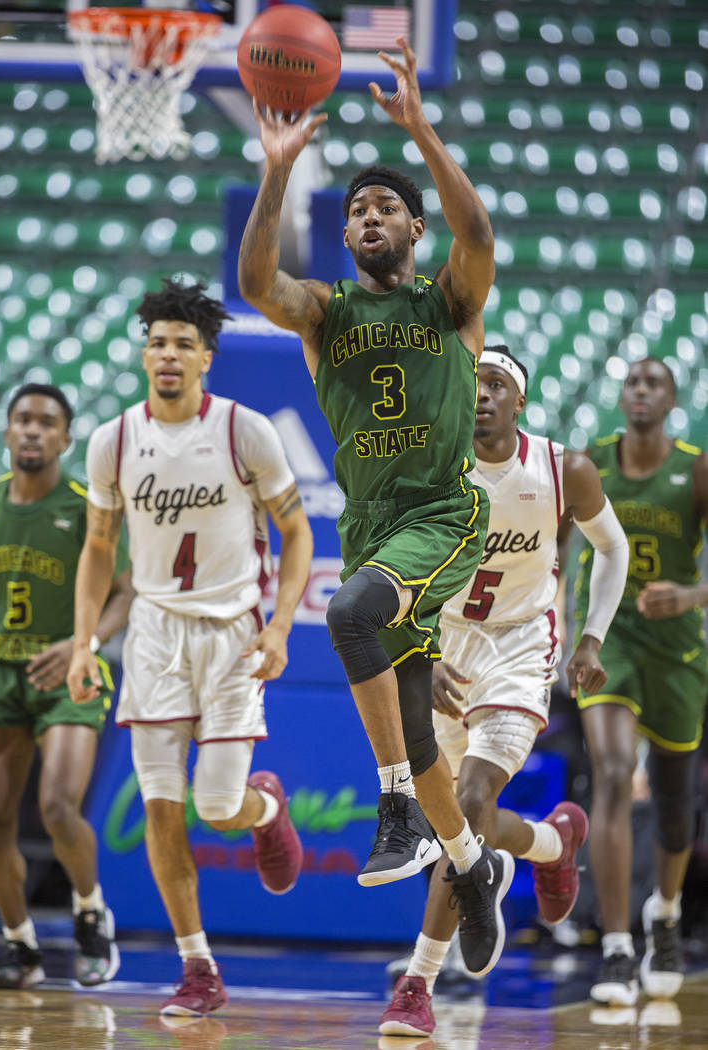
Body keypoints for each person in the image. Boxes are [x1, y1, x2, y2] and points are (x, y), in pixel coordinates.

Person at [238, 37, 514, 979]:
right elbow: (252, 287)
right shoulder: (325, 314)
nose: (368, 217)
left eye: (386, 207)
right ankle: (472, 870)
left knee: (348, 611)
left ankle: (392, 808)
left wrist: (420, 133)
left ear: (412, 232)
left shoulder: (449, 304)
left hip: (441, 515)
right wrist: (277, 175)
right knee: (417, 727)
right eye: (356, 208)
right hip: (371, 527)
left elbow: (478, 236)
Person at [67, 278, 313, 1017]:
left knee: (216, 804)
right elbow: (97, 547)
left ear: (207, 357)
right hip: (152, 639)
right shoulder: (113, 440)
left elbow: (297, 531)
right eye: (156, 343)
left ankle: (265, 810)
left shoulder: (245, 431)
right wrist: (84, 643)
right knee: (162, 809)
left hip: (232, 634)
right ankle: (196, 965)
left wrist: (277, 626)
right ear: (144, 356)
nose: (167, 354)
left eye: (182, 344)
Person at [378, 347, 630, 1036]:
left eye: (496, 385)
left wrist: (590, 638)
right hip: (442, 647)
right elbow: (389, 570)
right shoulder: (425, 468)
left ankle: (417, 983)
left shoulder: (560, 468)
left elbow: (613, 548)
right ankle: (551, 842)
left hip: (520, 645)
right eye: (471, 384)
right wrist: (416, 653)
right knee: (457, 828)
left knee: (467, 802)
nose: (481, 394)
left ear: (518, 401)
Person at [0, 383, 133, 990]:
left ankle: (90, 914)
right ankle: (20, 948)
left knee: (58, 806)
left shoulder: (82, 506)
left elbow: (125, 592)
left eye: (47, 422)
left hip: (69, 673)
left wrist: (84, 643)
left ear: (67, 438)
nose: (33, 430)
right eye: (23, 420)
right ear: (8, 431)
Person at [572, 356, 708, 1006]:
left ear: (671, 401)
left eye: (653, 383)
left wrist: (691, 595)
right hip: (610, 639)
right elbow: (548, 545)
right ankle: (617, 947)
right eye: (631, 382)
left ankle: (666, 914)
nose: (640, 392)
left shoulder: (695, 467)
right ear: (621, 396)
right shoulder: (587, 461)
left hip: (677, 651)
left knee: (676, 805)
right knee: (611, 770)